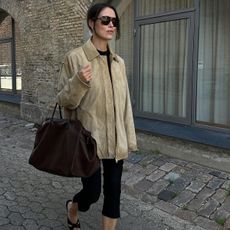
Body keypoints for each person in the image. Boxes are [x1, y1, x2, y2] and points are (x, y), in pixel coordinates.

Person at [57, 3, 137, 230]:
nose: (111, 25)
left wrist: (128, 139)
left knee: (113, 193)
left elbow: (125, 107)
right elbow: (64, 100)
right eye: (105, 20)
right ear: (92, 23)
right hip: (88, 141)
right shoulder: (75, 58)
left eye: (115, 21)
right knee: (91, 193)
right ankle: (73, 207)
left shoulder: (119, 62)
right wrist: (79, 81)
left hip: (115, 139)